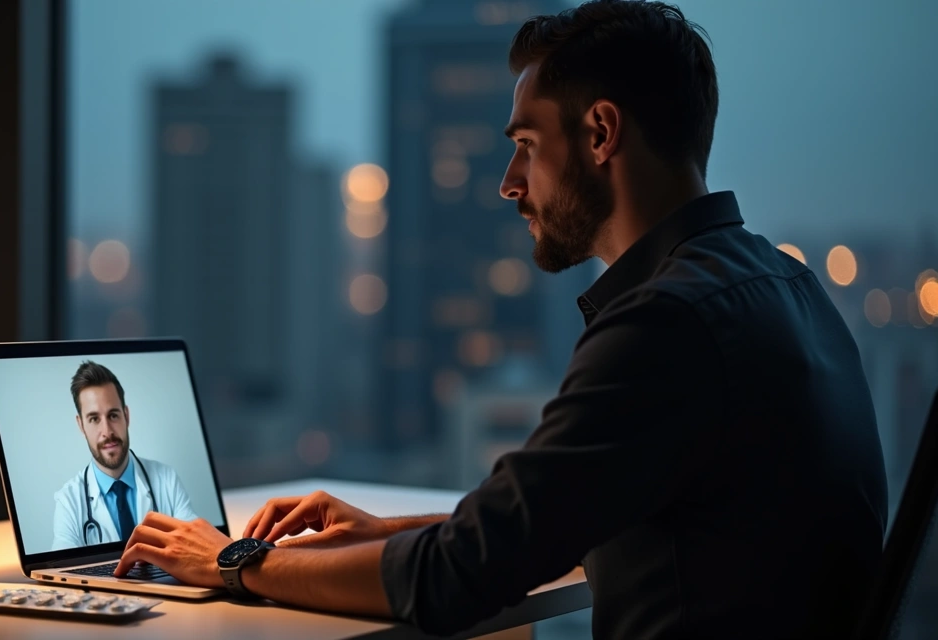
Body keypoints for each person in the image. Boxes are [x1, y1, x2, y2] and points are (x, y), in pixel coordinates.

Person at [111, 1, 888, 637]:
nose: (509, 183)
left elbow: (461, 577)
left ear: (600, 133)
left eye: (525, 145)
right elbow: (573, 516)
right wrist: (385, 533)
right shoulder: (789, 288)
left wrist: (234, 559)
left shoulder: (666, 325)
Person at [52, 360, 199, 551]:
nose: (107, 431)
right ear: (81, 425)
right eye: (94, 419)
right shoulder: (68, 501)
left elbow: (195, 546)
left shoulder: (167, 479)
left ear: (126, 416)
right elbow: (61, 569)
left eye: (113, 415)